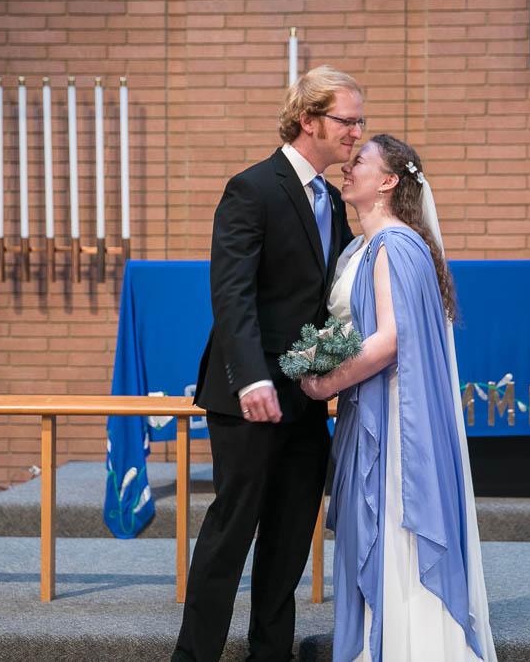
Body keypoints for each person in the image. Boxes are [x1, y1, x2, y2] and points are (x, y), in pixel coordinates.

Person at [173, 65, 363, 662]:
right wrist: (253, 376)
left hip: (305, 398)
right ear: (309, 120)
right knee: (232, 533)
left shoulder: (332, 199)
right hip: (248, 397)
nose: (357, 132)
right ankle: (194, 656)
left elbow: (322, 301)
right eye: (347, 121)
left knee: (288, 539)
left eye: (361, 121)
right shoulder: (251, 188)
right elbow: (231, 293)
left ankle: (270, 654)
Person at [301, 135, 497, 662]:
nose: (347, 166)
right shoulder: (361, 246)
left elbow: (391, 339)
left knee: (395, 538)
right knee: (374, 539)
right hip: (367, 414)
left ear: (388, 181)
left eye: (359, 160)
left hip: (393, 421)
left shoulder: (394, 245)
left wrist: (325, 381)